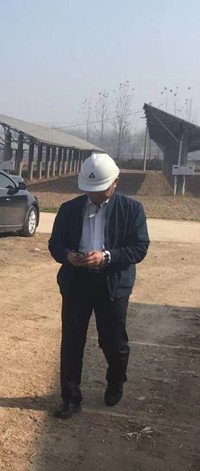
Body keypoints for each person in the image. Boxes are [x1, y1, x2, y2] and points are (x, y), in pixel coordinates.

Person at [48, 153, 149, 419]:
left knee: (113, 342)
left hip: (111, 284)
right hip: (77, 283)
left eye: (100, 189)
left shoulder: (131, 210)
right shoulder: (69, 209)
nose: (93, 195)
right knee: (72, 342)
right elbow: (55, 244)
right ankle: (70, 398)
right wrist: (68, 256)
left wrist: (107, 257)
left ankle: (115, 382)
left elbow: (139, 248)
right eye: (89, 190)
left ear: (115, 182)